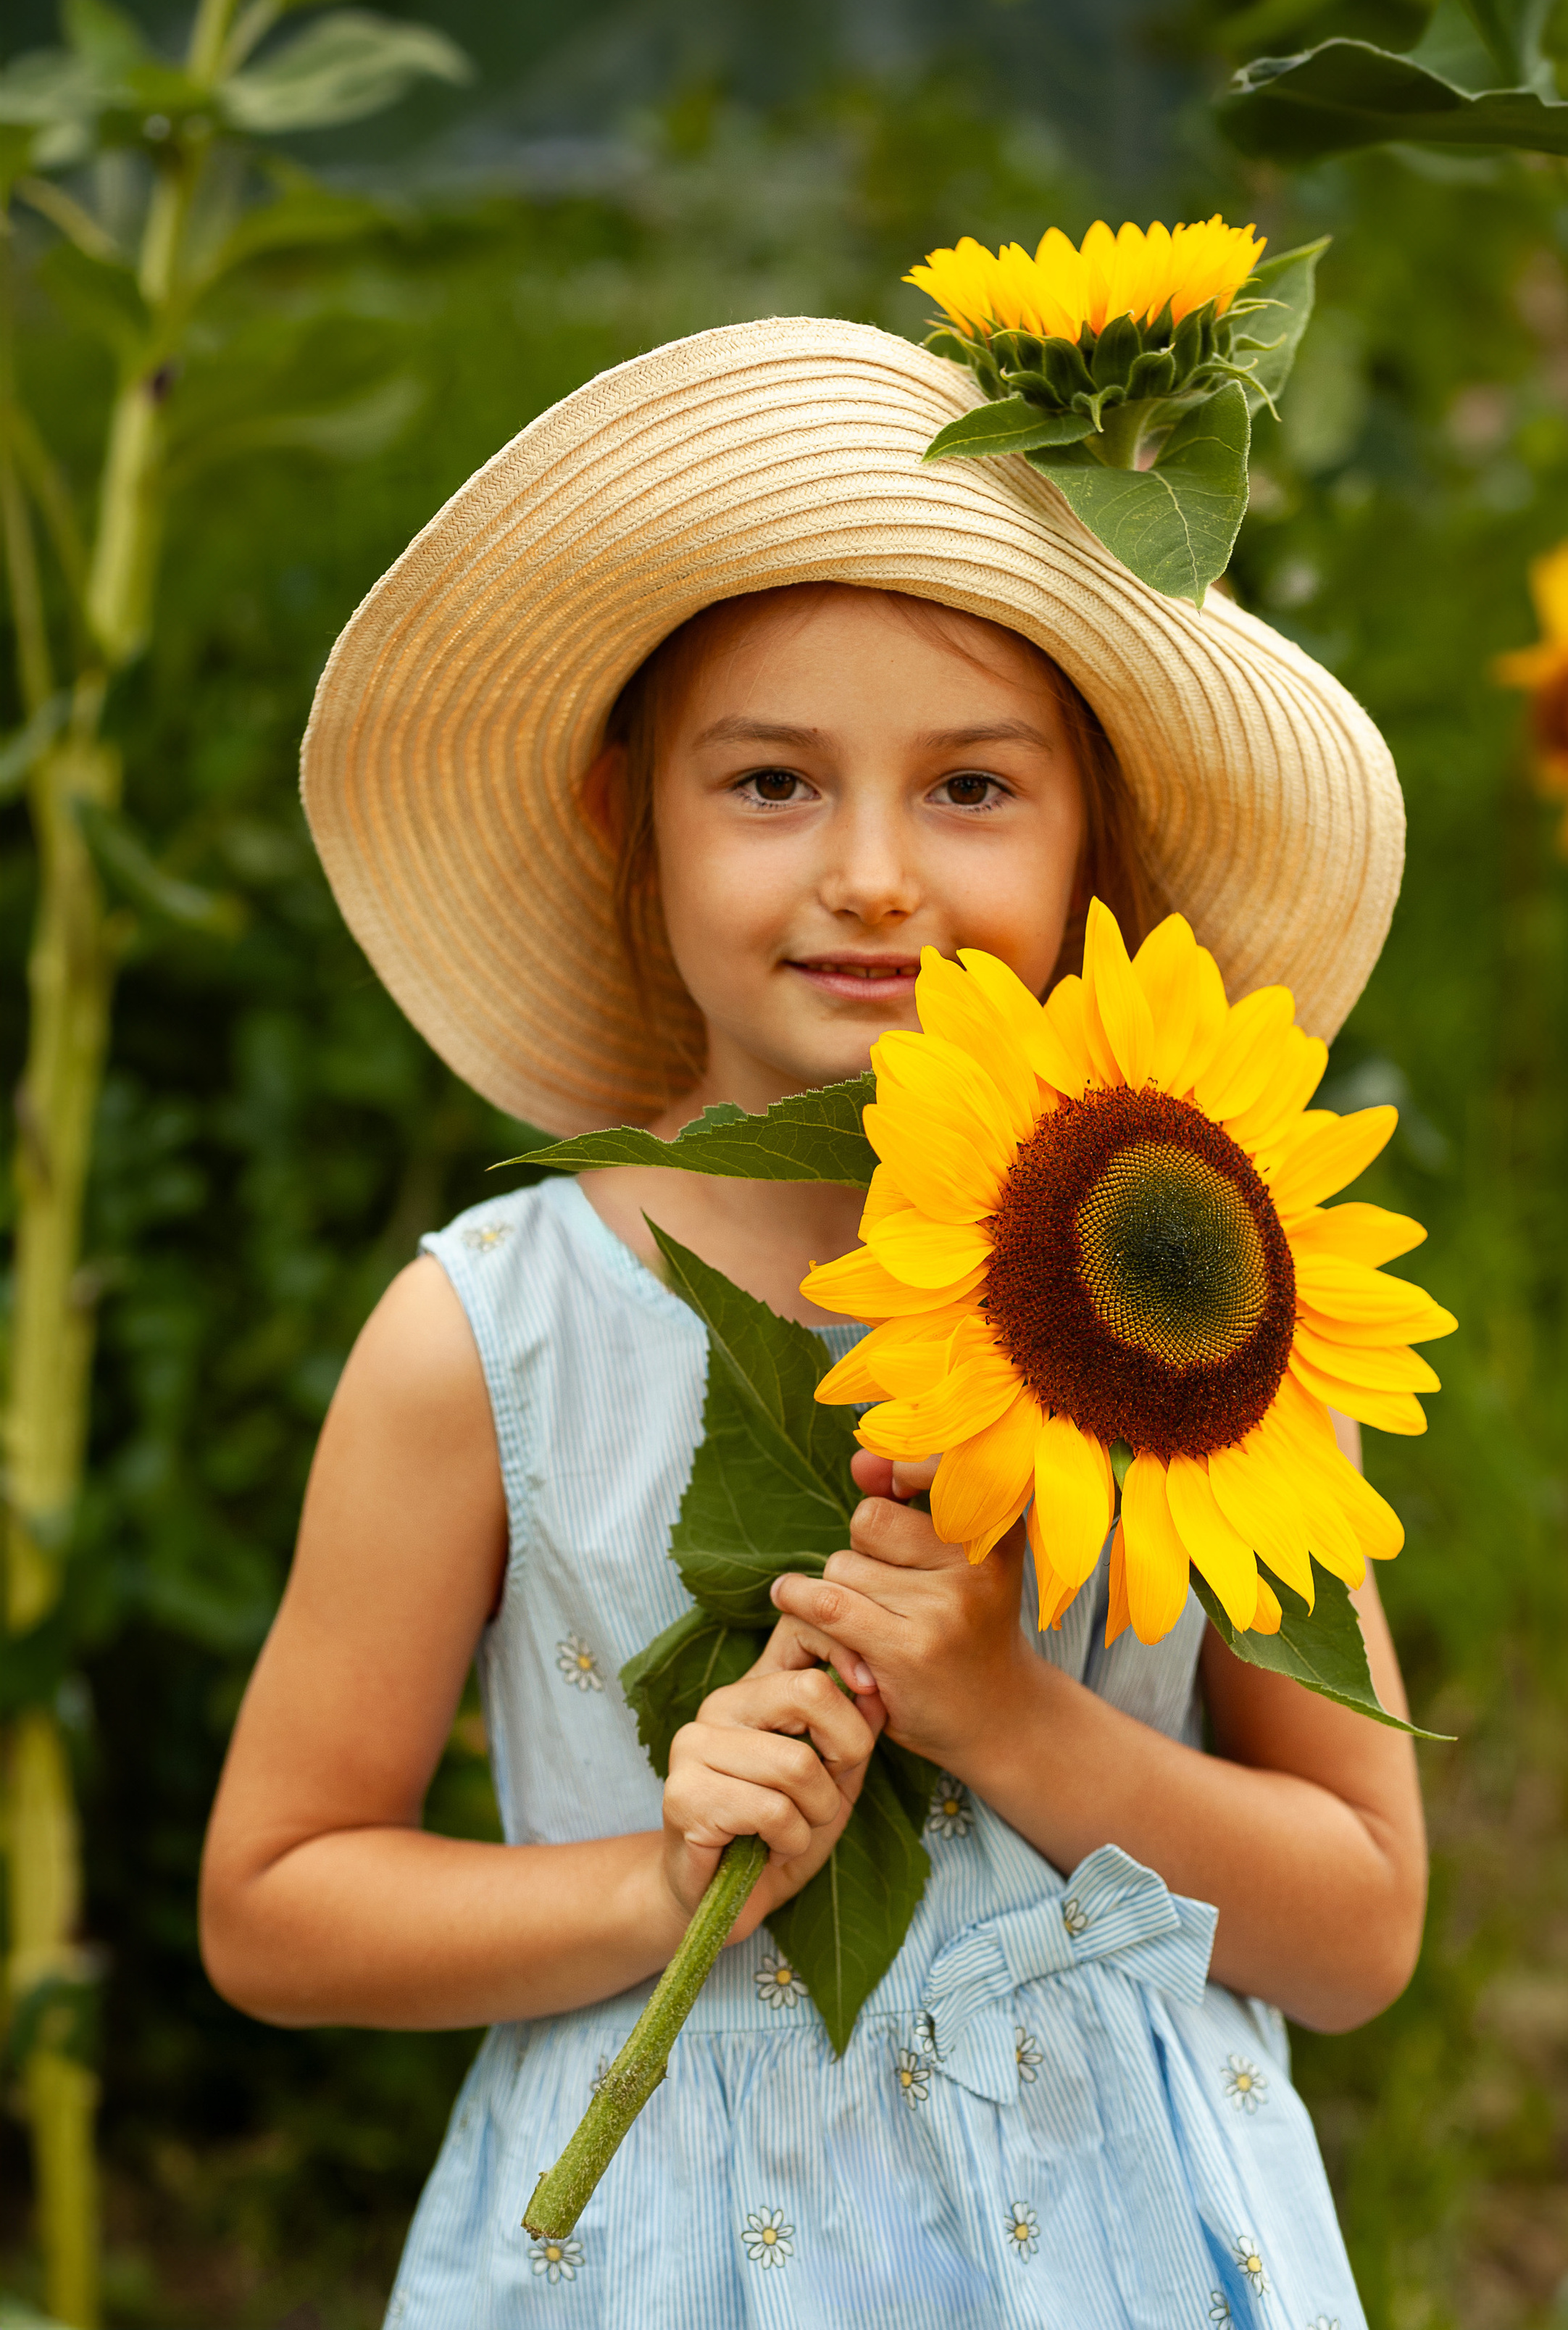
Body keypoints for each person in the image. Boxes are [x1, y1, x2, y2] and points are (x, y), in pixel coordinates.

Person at [199, 314, 1427, 2326]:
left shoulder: (1214, 1312)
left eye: (969, 788)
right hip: (676, 2250)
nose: (871, 878)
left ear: (1091, 838)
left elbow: (1360, 1923)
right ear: (628, 820)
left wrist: (1015, 1722)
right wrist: (649, 1883)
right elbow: (276, 1905)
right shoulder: (495, 1343)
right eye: (771, 781)